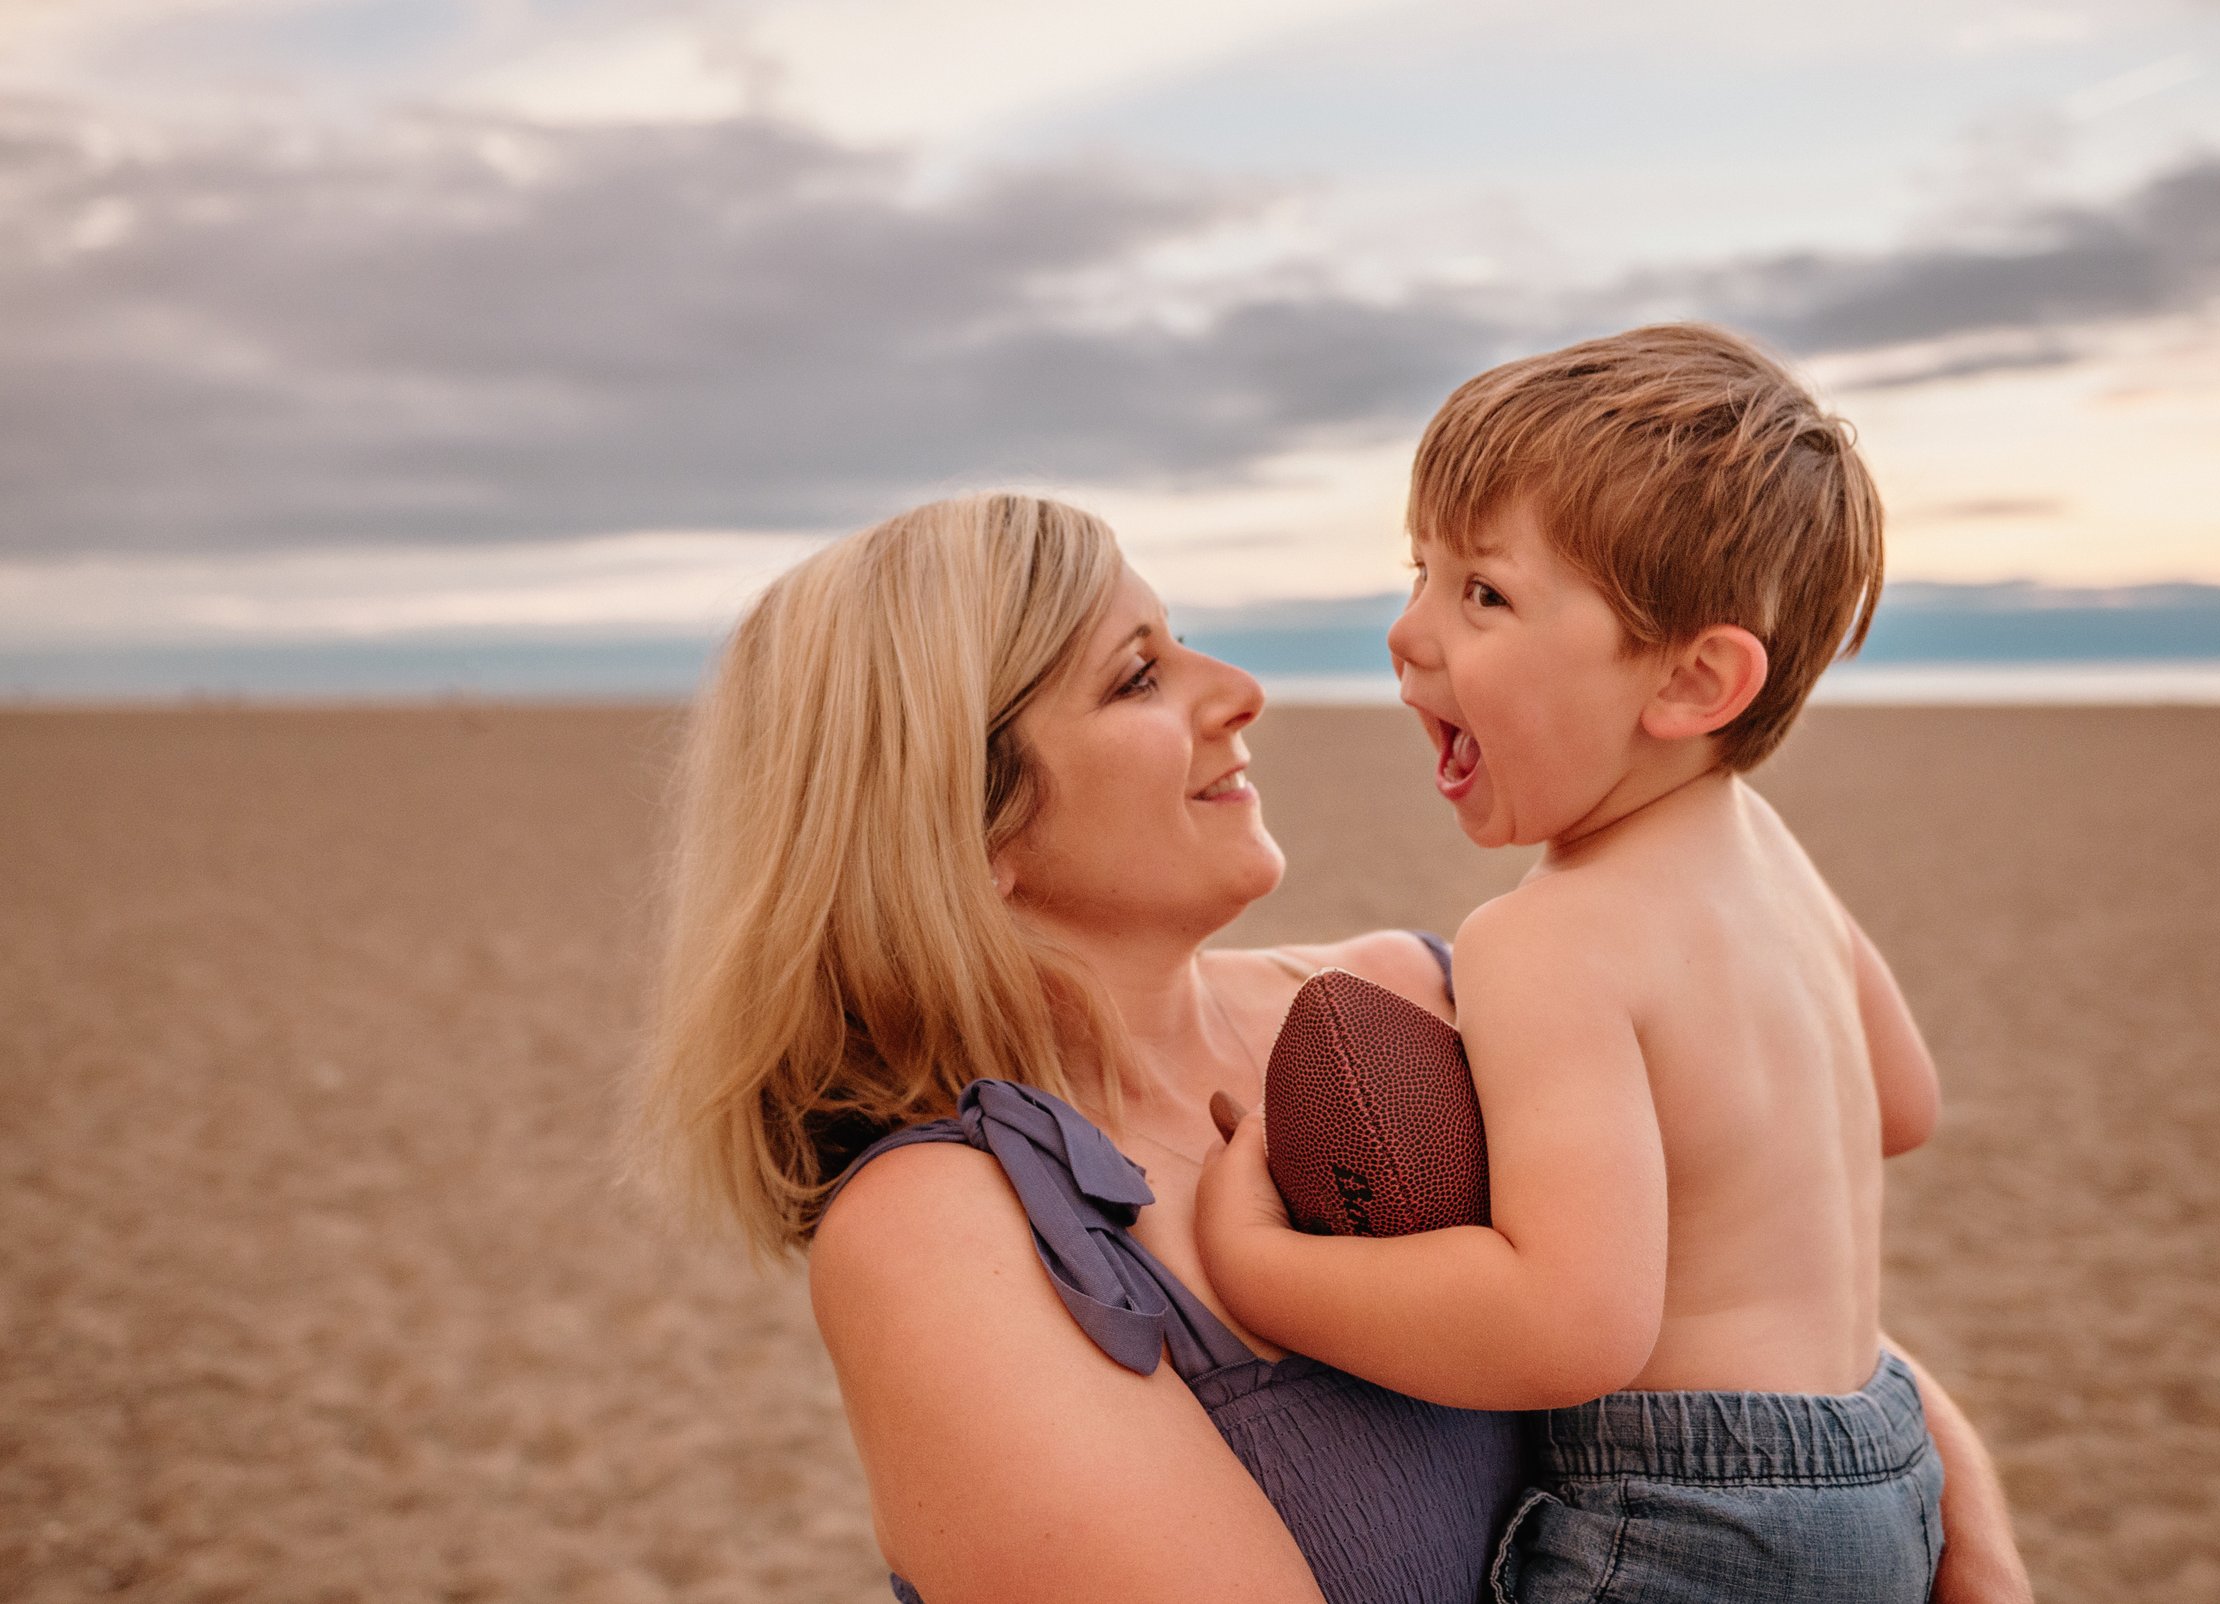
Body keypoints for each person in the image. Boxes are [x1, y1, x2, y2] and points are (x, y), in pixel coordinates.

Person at [638, 490, 2032, 1603]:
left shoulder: (1400, 1006)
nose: (1239, 690)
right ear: (964, 827)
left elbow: (1751, 1298)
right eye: (1138, 678)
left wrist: (1960, 1523)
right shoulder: (950, 1230)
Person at [1195, 325, 1995, 1603]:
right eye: (1421, 572)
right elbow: (1901, 1104)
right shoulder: (1768, 850)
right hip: (1884, 1470)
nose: (1407, 634)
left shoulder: (1546, 935)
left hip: (1690, 1518)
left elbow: (1565, 1326)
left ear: (1690, 679)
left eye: (1484, 593)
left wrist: (1259, 1267)